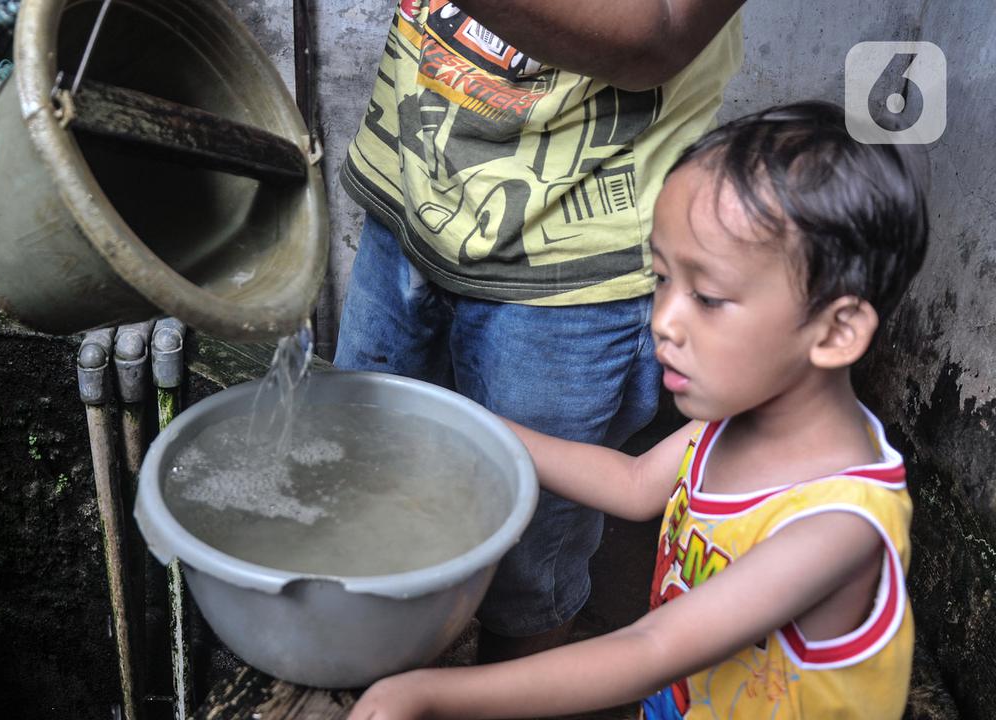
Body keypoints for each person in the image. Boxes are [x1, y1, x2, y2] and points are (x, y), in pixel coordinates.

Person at [346, 101, 929, 719]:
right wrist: (458, 421)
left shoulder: (837, 524)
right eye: (661, 279)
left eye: (708, 297)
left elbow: (651, 650)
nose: (663, 321)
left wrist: (424, 693)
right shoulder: (737, 418)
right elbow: (633, 483)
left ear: (836, 331)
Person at [335, 0, 746, 661]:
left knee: (526, 567)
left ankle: (489, 692)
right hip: (413, 179)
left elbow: (658, 38)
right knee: (357, 487)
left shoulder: (833, 512)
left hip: (573, 249)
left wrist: (429, 700)